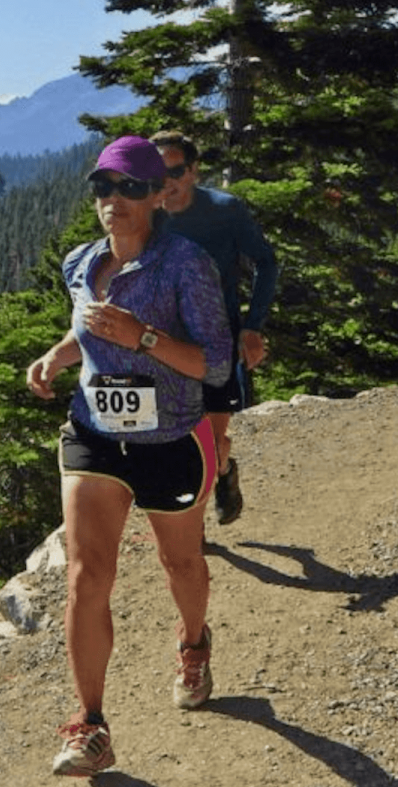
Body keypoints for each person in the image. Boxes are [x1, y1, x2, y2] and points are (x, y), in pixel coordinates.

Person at [26, 136, 233, 778]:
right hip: (94, 437)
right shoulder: (80, 263)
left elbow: (215, 362)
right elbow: (87, 326)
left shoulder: (186, 265)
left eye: (129, 188)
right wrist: (59, 356)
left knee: (181, 562)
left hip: (170, 439)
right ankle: (91, 724)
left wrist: (142, 337)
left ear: (156, 197)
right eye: (102, 188)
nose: (113, 200)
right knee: (87, 576)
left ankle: (193, 643)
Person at [150, 131, 279, 525]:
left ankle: (224, 470)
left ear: (192, 170)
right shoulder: (144, 213)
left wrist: (253, 327)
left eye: (174, 171)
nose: (165, 181)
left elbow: (266, 262)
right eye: (156, 172)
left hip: (215, 344)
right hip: (162, 345)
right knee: (173, 439)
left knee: (210, 441)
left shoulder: (225, 210)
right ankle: (191, 529)